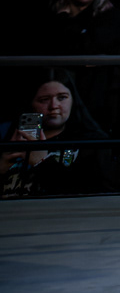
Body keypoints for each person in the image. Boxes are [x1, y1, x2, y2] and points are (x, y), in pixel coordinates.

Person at [42, 0, 120, 116]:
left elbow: (88, 49)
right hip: (51, 91)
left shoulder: (113, 16)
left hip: (95, 95)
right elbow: (49, 49)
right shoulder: (51, 13)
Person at [1, 69, 107, 197]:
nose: (54, 106)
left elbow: (88, 193)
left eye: (62, 97)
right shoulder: (8, 136)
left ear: (73, 100)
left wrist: (42, 162)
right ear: (31, 104)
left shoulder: (90, 143)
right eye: (44, 99)